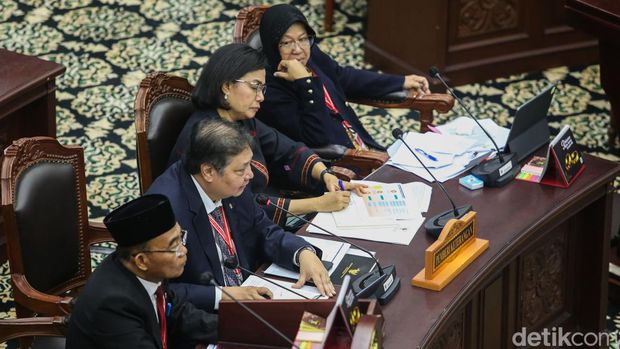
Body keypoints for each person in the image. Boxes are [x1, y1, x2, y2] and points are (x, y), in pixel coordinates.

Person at [169, 43, 367, 229]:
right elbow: (241, 205)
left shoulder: (238, 116)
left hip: (263, 212)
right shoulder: (209, 137)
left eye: (262, 88)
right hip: (223, 228)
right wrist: (318, 204)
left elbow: (286, 149)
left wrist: (326, 175)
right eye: (254, 87)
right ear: (227, 86)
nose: (261, 97)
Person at [149, 119, 336, 313]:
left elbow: (263, 229)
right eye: (241, 169)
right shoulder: (166, 210)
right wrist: (224, 295)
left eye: (249, 165)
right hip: (203, 316)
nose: (250, 175)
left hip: (254, 290)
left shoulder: (233, 185)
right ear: (208, 172)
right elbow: (160, 292)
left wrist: (303, 253)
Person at [256, 4, 431, 151]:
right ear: (273, 46)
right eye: (286, 43)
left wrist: (399, 82)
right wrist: (305, 82)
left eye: (303, 39)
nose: (298, 49)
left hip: (364, 147)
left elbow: (342, 77)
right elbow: (316, 138)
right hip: (339, 168)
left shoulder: (310, 53)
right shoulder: (269, 90)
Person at [66, 194, 218, 349]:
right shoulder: (113, 305)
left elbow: (178, 314)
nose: (184, 250)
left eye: (181, 238)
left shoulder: (151, 269)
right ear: (141, 261)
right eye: (174, 247)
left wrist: (236, 328)